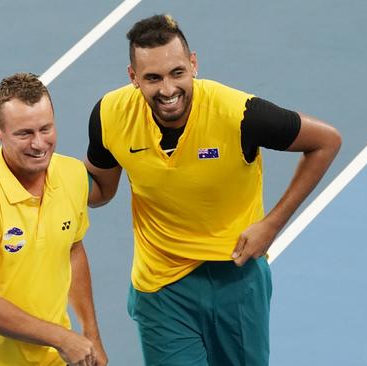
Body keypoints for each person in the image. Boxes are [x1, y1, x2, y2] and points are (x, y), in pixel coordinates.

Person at [85, 14, 341, 366]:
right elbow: (100, 189)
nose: (168, 90)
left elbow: (326, 141)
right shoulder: (109, 114)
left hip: (237, 279)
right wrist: (46, 180)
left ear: (193, 64)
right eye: (152, 78)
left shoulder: (239, 113)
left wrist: (272, 225)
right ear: (133, 77)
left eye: (177, 73)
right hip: (162, 288)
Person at [0, 72, 107, 366]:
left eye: (46, 128)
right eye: (24, 133)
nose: (39, 144)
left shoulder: (73, 176)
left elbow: (72, 251)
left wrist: (90, 333)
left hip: (50, 358)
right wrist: (62, 338)